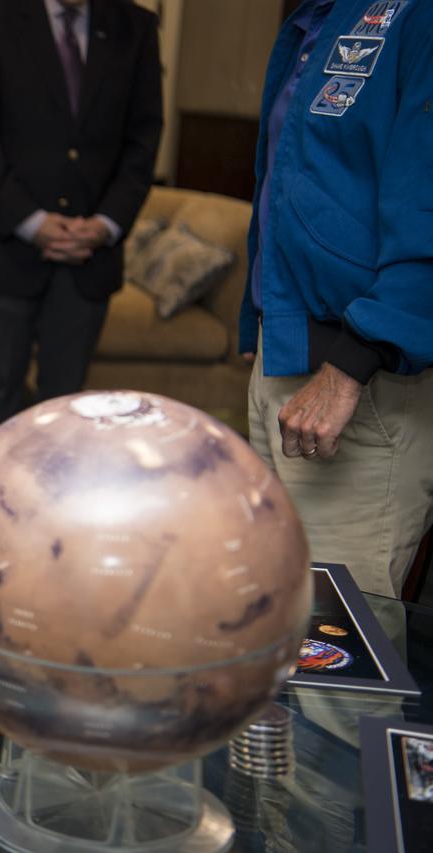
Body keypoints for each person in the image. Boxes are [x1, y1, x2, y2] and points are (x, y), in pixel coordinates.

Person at [241, 0, 433, 598]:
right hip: (285, 357)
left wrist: (350, 366)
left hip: (365, 382)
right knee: (270, 612)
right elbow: (294, 181)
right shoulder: (315, 20)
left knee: (338, 651)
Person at [0, 0, 162, 445]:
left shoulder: (136, 27)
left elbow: (143, 141)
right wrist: (31, 221)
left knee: (68, 412)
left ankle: (50, 513)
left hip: (92, 258)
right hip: (8, 251)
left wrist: (107, 223)